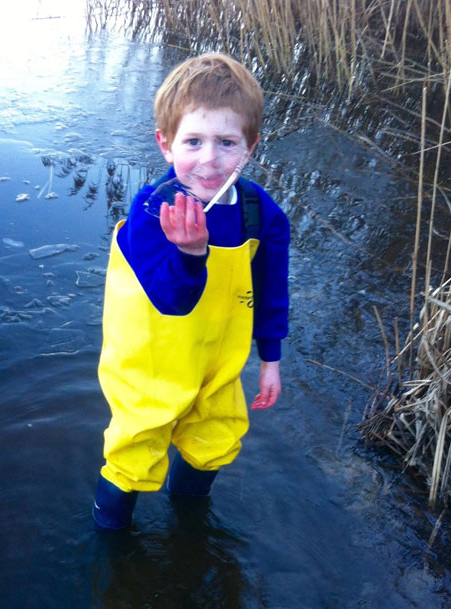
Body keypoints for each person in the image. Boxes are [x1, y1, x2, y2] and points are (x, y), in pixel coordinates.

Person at [93, 53, 290, 530]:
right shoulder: (150, 213)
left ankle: (189, 524)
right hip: (151, 364)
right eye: (194, 141)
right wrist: (191, 254)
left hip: (217, 361)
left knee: (216, 441)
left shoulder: (257, 213)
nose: (209, 159)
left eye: (227, 142)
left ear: (250, 147)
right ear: (166, 144)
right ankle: (112, 544)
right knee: (134, 455)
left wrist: (271, 360)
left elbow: (270, 289)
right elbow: (171, 300)